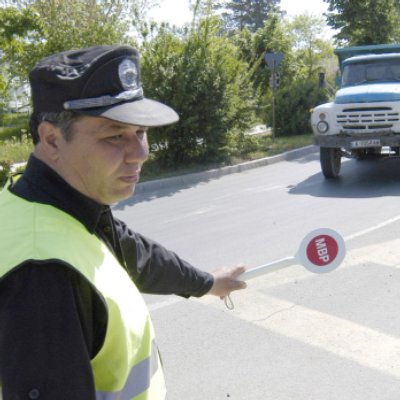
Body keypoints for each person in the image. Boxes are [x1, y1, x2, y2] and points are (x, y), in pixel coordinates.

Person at [0, 45, 247, 399]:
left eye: (141, 133)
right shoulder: (43, 274)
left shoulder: (54, 202)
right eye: (115, 135)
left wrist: (207, 283)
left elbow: (134, 253)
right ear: (52, 139)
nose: (140, 153)